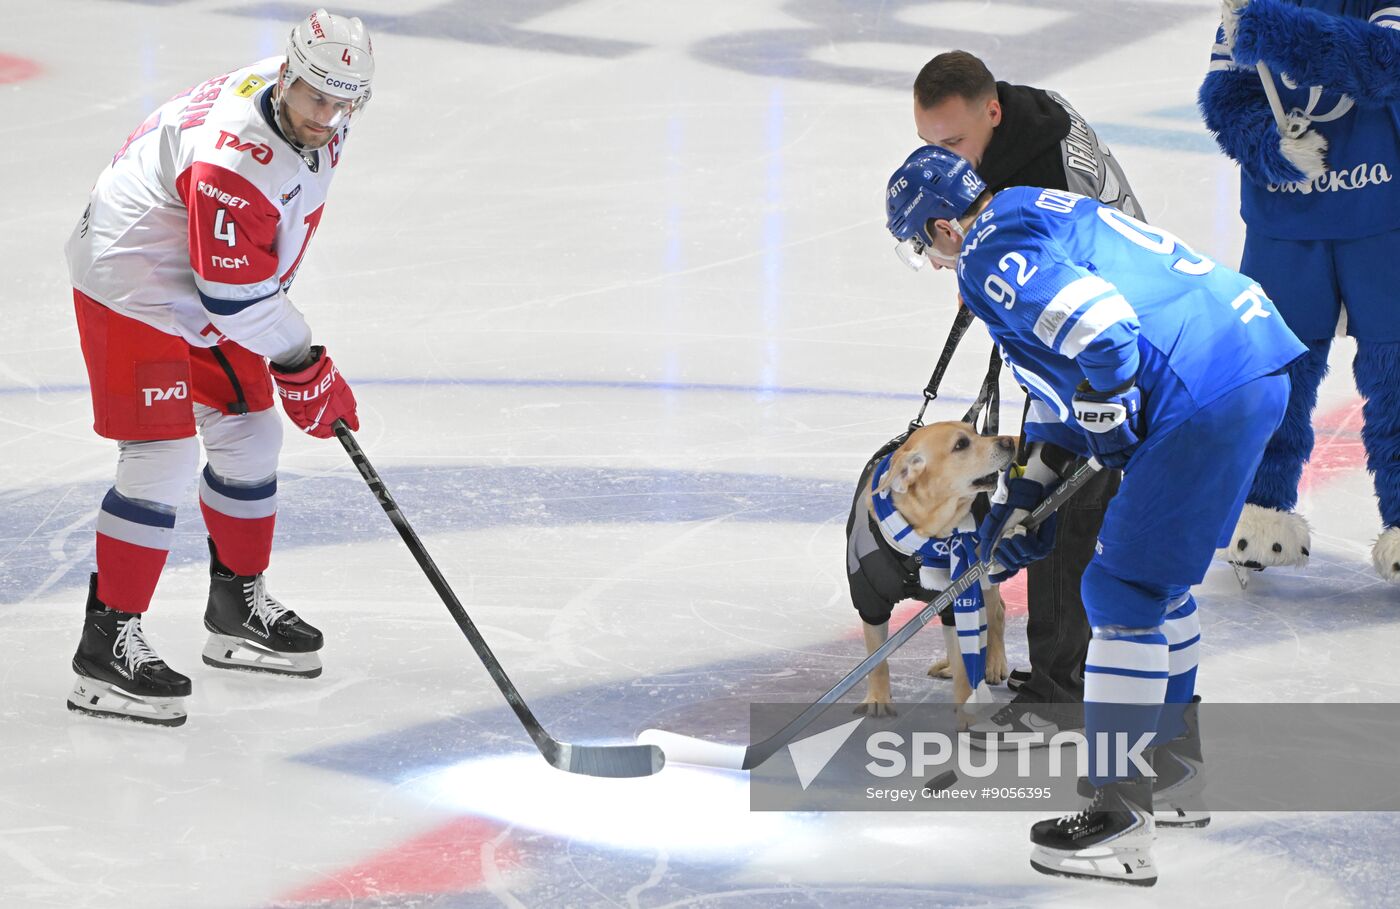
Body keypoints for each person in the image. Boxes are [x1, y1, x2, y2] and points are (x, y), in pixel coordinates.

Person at [885, 145, 1305, 885]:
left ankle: (1118, 816)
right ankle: (1172, 774)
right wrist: (1023, 499)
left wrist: (1110, 403)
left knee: (1122, 593)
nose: (937, 262)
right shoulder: (1028, 209)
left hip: (1203, 385)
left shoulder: (987, 254)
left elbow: (1104, 330)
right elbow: (1059, 391)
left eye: (926, 247)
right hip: (1243, 359)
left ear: (944, 226)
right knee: (1159, 586)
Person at [63, 9, 372, 727]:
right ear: (288, 77)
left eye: (341, 101)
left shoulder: (314, 106)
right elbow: (234, 300)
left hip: (206, 272)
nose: (326, 115)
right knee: (163, 454)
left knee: (252, 433)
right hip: (132, 276)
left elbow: (250, 268)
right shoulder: (234, 161)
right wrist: (304, 361)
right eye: (315, 97)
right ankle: (105, 646)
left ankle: (237, 606)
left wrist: (290, 354)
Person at [909, 51, 1140, 738]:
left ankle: (1058, 694)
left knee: (1064, 512)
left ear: (993, 111)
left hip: (1110, 346)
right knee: (1050, 506)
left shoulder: (1044, 177)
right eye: (930, 145)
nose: (945, 160)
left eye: (953, 146)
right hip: (1082, 329)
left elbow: (1066, 295)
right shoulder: (1016, 126)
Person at [1200, 0, 1400, 583]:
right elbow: (1226, 99)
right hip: (1285, 218)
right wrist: (1271, 149)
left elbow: (1383, 63)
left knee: (1397, 369)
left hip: (1382, 213)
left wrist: (1269, 26)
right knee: (1273, 365)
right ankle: (1262, 507)